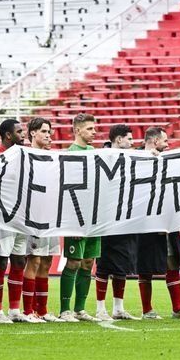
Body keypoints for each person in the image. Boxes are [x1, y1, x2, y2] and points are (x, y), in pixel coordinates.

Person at [136, 127, 180, 320]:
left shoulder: (168, 161)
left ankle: (178, 308)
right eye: (165, 141)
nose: (168, 144)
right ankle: (147, 310)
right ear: (155, 141)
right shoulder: (136, 159)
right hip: (145, 223)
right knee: (145, 266)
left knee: (172, 263)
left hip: (167, 221)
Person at [59, 114, 102, 323]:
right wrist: (72, 223)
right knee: (74, 262)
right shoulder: (70, 155)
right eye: (90, 129)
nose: (94, 132)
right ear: (77, 130)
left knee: (88, 263)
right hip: (77, 219)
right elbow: (67, 191)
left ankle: (80, 309)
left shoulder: (95, 153)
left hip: (94, 218)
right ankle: (65, 309)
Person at [95, 124, 139, 321]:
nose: (132, 143)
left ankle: (118, 308)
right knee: (104, 265)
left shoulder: (133, 158)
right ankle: (100, 308)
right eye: (129, 139)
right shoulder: (100, 157)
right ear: (119, 139)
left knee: (122, 265)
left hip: (126, 218)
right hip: (105, 218)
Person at [21, 118, 63, 323]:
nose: (49, 135)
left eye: (50, 131)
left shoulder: (53, 158)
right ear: (32, 134)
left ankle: (42, 310)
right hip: (33, 216)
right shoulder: (24, 156)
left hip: (51, 215)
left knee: (46, 261)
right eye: (44, 131)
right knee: (34, 259)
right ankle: (28, 311)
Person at [0, 119, 28, 323]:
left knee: (19, 260)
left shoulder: (27, 155)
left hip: (22, 215)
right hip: (3, 216)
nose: (24, 135)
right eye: (20, 132)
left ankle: (14, 310)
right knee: (1, 261)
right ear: (8, 135)